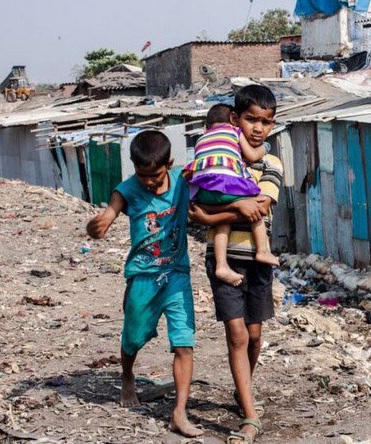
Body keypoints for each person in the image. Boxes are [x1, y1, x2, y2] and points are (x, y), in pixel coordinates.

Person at [86, 130, 203, 438]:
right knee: (132, 339)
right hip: (143, 277)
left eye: (156, 175)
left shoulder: (182, 180)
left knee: (184, 343)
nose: (149, 182)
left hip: (177, 275)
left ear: (170, 164)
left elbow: (211, 177)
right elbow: (106, 219)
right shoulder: (126, 191)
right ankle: (127, 376)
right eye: (142, 175)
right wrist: (97, 225)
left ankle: (179, 412)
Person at [188, 84, 282, 443]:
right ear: (233, 118)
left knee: (255, 336)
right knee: (237, 335)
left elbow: (260, 206)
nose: (259, 129)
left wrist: (221, 211)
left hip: (257, 262)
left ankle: (242, 391)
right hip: (223, 260)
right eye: (251, 119)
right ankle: (250, 415)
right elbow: (196, 210)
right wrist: (230, 210)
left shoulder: (271, 162)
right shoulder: (217, 155)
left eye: (267, 123)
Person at [183, 103, 279, 288]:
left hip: (203, 190)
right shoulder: (234, 132)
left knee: (221, 223)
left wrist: (208, 218)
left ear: (207, 125)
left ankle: (221, 265)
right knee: (255, 206)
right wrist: (266, 147)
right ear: (234, 120)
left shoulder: (201, 138)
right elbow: (251, 156)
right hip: (228, 185)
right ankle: (262, 250)